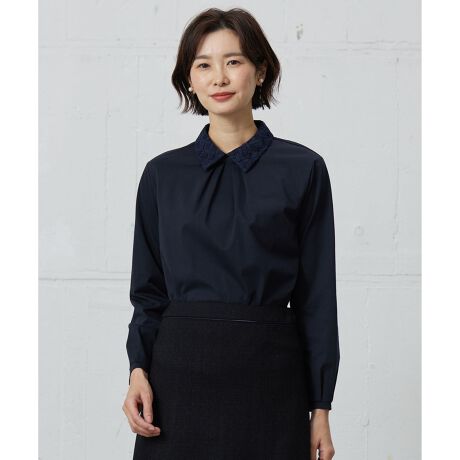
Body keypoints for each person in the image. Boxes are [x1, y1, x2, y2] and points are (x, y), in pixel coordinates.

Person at [122, 7, 340, 460]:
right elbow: (148, 293)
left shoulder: (303, 169)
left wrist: (320, 407)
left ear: (260, 71)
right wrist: (137, 370)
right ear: (189, 80)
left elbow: (317, 299)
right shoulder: (162, 175)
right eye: (203, 65)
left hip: (270, 385)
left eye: (233, 61)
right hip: (176, 386)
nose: (218, 77)